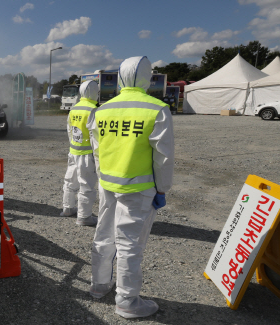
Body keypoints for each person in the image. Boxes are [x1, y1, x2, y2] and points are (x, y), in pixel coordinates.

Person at [86, 56, 174, 319]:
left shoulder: (102, 110)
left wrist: (104, 178)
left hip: (108, 185)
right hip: (140, 189)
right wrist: (162, 189)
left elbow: (97, 150)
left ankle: (99, 285)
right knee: (130, 245)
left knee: (103, 236)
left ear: (121, 77)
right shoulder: (156, 109)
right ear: (148, 78)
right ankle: (127, 302)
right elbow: (163, 157)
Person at [60, 80, 99, 227]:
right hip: (87, 154)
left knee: (70, 181)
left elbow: (69, 129)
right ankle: (84, 216)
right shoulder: (93, 109)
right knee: (86, 186)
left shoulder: (74, 108)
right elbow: (95, 135)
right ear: (94, 92)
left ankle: (68, 208)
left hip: (74, 151)